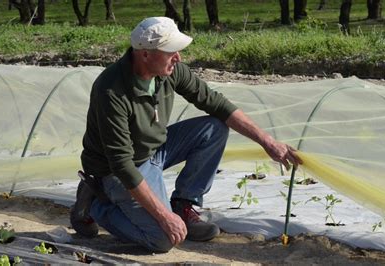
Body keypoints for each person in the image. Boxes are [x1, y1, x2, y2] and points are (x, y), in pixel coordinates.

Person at [70, 16, 302, 253]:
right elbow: (122, 165)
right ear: (146, 54)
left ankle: (184, 204)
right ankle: (97, 204)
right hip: (116, 169)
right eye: (171, 51)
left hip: (154, 150)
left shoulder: (169, 72)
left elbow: (216, 104)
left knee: (215, 128)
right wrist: (163, 217)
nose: (178, 58)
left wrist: (267, 141)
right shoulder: (111, 91)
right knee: (162, 239)